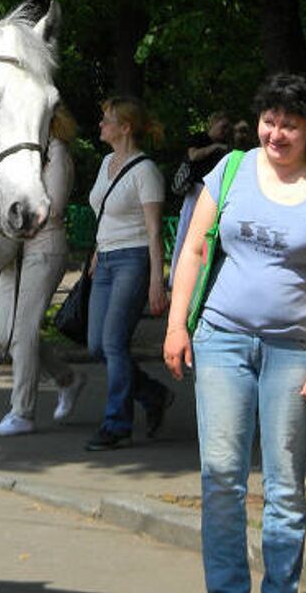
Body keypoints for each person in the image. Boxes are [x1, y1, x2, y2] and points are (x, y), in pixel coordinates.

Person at [163, 73, 306, 593]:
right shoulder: (231, 168)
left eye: (290, 125)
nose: (276, 134)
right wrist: (177, 325)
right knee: (222, 477)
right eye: (270, 122)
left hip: (294, 351)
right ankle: (226, 587)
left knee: (284, 485)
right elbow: (194, 251)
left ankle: (280, 588)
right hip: (220, 340)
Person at [0, 103, 86, 436]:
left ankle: (22, 412)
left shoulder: (55, 154)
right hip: (12, 249)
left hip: (43, 250)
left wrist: (14, 217)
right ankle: (66, 378)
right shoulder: (20, 157)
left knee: (24, 331)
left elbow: (53, 208)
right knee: (6, 334)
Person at [84, 95, 171, 451]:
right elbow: (102, 214)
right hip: (104, 260)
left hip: (133, 261)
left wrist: (156, 279)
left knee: (114, 343)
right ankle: (152, 393)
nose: (101, 125)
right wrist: (95, 253)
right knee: (96, 345)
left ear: (125, 128)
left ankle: (117, 424)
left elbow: (154, 231)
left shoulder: (145, 171)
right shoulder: (106, 161)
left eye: (107, 120)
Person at [168, 112, 233, 287]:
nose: (225, 130)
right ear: (214, 123)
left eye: (228, 127)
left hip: (214, 192)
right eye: (223, 126)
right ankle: (175, 280)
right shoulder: (200, 138)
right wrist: (215, 148)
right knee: (185, 233)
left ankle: (199, 279)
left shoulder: (226, 145)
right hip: (195, 190)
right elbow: (193, 155)